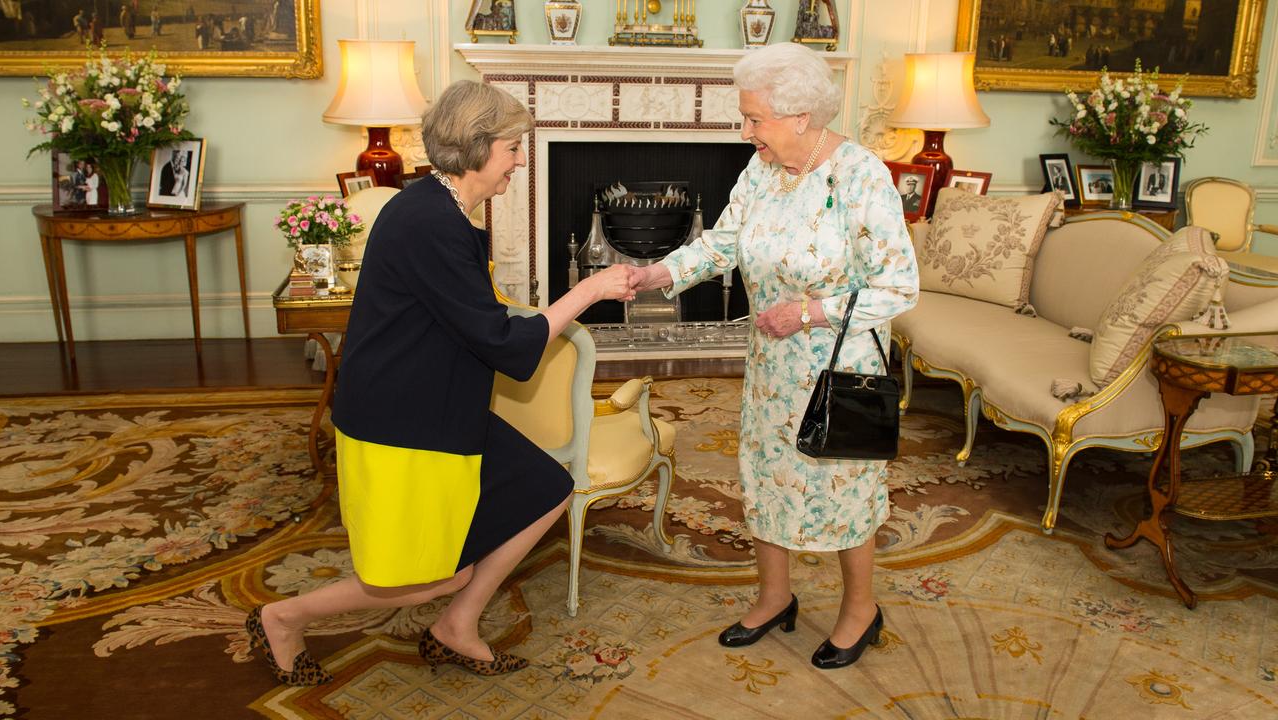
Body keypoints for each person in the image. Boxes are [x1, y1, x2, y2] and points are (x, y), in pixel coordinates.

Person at [244, 80, 639, 686]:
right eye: (512, 148)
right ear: (478, 148)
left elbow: (474, 315)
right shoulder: (430, 220)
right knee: (433, 574)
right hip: (402, 420)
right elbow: (504, 346)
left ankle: (457, 626)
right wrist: (587, 290)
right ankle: (282, 617)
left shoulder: (441, 206)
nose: (520, 160)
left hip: (440, 399)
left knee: (546, 486)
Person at [628, 43, 918, 670]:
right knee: (766, 474)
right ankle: (774, 596)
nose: (746, 131)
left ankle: (860, 609)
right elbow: (723, 243)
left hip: (840, 366)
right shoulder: (761, 170)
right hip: (772, 364)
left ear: (800, 118)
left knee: (842, 483)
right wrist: (657, 274)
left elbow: (897, 285)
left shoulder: (862, 177)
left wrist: (807, 312)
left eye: (755, 119)